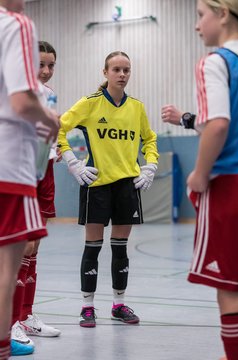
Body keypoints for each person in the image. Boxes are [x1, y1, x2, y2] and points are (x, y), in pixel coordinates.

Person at [58, 51, 159, 327]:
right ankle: (87, 306)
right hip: (97, 185)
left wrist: (150, 165)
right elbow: (58, 128)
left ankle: (118, 304)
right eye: (116, 69)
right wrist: (72, 162)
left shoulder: (136, 107)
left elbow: (149, 139)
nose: (122, 74)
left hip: (127, 185)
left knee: (120, 249)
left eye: (127, 69)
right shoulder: (90, 103)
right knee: (93, 247)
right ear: (105, 73)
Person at [0, 0, 59, 359]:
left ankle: (25, 316)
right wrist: (51, 119)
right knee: (6, 270)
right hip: (9, 167)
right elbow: (23, 103)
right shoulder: (17, 24)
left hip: (33, 168)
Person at [186, 1, 238, 360]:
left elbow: (218, 123)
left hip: (230, 185)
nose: (197, 26)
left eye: (200, 15)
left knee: (231, 284)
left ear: (223, 14)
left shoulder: (215, 62)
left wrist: (200, 175)